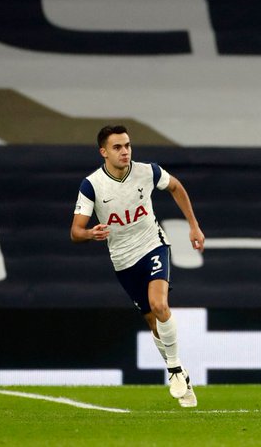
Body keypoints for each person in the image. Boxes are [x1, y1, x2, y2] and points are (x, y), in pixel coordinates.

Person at [70, 124, 205, 407]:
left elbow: (176, 186)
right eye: (117, 147)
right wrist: (90, 233)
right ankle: (178, 372)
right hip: (123, 259)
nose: (125, 151)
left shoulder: (147, 171)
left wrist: (193, 226)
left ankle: (175, 369)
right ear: (103, 152)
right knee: (153, 322)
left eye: (127, 145)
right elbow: (75, 232)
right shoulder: (92, 185)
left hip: (152, 244)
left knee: (159, 305)